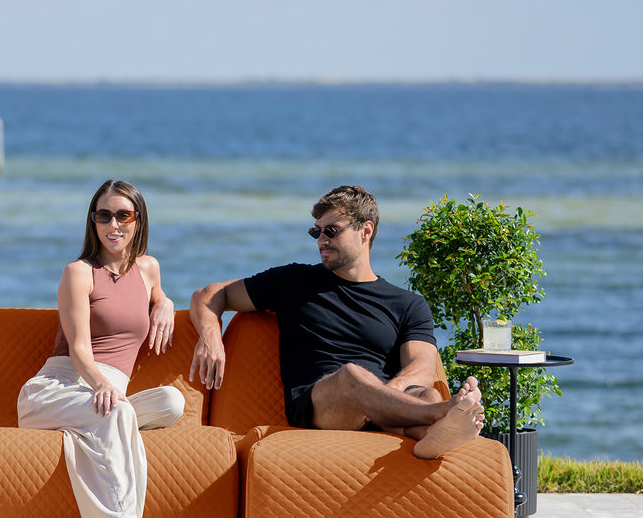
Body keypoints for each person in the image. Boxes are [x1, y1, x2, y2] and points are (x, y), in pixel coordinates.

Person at [189, 184, 484, 460]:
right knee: (352, 376)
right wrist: (210, 334)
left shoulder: (407, 304)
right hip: (321, 406)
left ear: (365, 231)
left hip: (384, 402)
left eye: (331, 230)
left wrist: (390, 393)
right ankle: (444, 414)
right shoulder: (294, 281)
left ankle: (428, 437)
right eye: (315, 232)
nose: (321, 240)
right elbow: (210, 294)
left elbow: (421, 364)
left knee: (427, 392)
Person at [17, 180, 185, 518]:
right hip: (57, 387)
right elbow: (78, 350)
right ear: (92, 222)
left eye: (123, 215)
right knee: (117, 413)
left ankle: (91, 425)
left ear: (138, 220)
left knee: (171, 402)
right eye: (103, 215)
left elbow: (154, 293)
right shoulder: (78, 272)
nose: (114, 224)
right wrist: (102, 385)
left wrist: (164, 302)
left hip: (103, 394)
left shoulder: (148, 268)